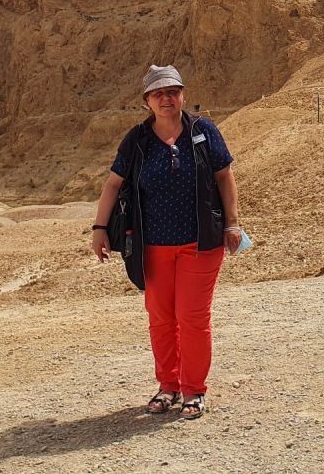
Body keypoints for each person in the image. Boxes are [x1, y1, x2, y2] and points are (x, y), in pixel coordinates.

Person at [91, 64, 244, 420]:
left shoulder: (203, 131)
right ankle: (168, 385)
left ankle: (194, 390)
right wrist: (99, 228)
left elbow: (225, 176)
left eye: (172, 92)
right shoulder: (137, 140)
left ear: (183, 95)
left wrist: (233, 223)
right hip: (152, 246)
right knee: (161, 319)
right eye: (158, 94)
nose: (166, 99)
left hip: (201, 243)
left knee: (192, 318)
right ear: (147, 101)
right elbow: (113, 184)